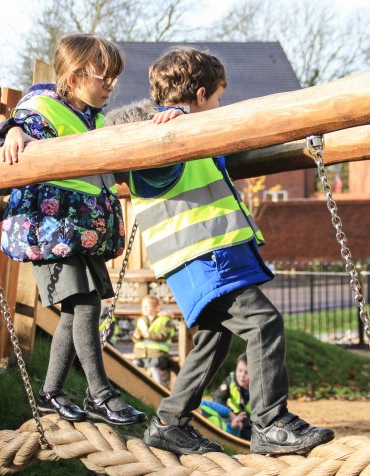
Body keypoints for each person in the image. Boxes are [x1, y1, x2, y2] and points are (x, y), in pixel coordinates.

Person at [105, 47, 333, 454]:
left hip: (208, 257)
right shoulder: (161, 138)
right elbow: (157, 169)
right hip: (203, 257)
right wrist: (176, 127)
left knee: (215, 339)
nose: (219, 109)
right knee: (264, 324)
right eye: (217, 101)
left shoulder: (192, 133)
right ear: (200, 94)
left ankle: (169, 422)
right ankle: (270, 422)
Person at [0, 33, 145, 426]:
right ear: (75, 77)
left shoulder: (92, 116)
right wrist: (14, 133)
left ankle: (50, 393)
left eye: (114, 78)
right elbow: (21, 125)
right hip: (51, 230)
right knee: (85, 305)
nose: (111, 85)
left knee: (74, 311)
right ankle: (100, 394)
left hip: (79, 232)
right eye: (103, 77)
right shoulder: (44, 108)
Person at [131, 295, 176, 386]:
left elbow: (165, 335)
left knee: (154, 370)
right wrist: (136, 336)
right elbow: (135, 338)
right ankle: (133, 390)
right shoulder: (141, 320)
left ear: (156, 308)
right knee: (133, 367)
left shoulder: (164, 320)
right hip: (140, 354)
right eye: (143, 306)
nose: (145, 308)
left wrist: (149, 335)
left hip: (157, 354)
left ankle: (159, 390)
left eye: (148, 306)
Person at [209, 353, 252, 439]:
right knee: (216, 416)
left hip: (250, 422)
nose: (242, 375)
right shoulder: (231, 381)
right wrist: (230, 414)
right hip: (232, 416)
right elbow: (218, 397)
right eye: (240, 370)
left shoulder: (258, 387)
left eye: (247, 372)